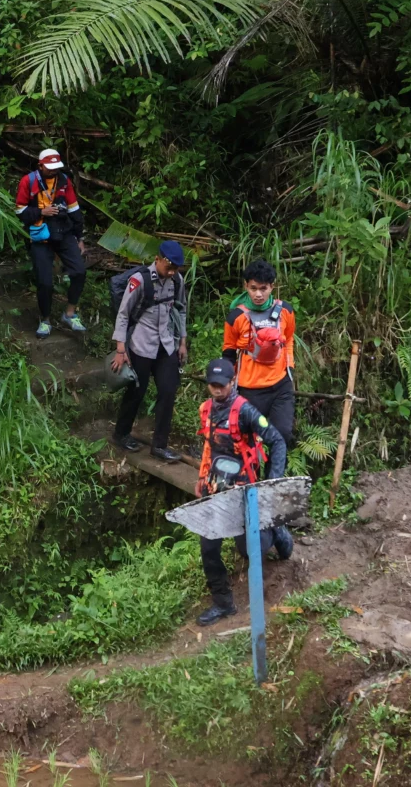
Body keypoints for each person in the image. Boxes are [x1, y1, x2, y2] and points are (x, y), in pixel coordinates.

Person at [193, 358, 291, 626]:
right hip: (216, 487)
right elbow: (208, 447)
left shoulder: (246, 411)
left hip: (245, 488)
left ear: (233, 382)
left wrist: (271, 484)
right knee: (208, 546)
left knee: (249, 548)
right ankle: (223, 603)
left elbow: (277, 441)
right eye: (212, 385)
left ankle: (277, 533)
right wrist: (202, 477)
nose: (216, 390)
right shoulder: (206, 410)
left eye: (221, 385)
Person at [110, 240, 188, 462]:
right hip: (141, 344)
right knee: (136, 392)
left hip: (166, 344)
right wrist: (120, 348)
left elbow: (181, 310)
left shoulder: (177, 281)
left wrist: (182, 341)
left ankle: (160, 446)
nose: (172, 272)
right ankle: (121, 434)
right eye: (169, 267)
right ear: (158, 259)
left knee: (168, 391)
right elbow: (124, 314)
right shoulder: (140, 280)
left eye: (176, 269)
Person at [222, 258, 297, 449]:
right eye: (253, 288)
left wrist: (290, 367)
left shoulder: (285, 311)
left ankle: (275, 477)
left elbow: (288, 340)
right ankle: (248, 477)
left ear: (272, 287)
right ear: (246, 285)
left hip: (280, 385)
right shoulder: (236, 317)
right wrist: (227, 382)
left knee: (282, 436)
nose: (258, 294)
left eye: (263, 289)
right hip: (250, 388)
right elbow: (228, 351)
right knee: (246, 440)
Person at [15, 148, 86, 338]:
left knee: (79, 271)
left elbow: (74, 209)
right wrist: (41, 212)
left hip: (63, 233)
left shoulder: (64, 181)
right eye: (49, 168)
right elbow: (20, 212)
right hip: (40, 236)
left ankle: (70, 313)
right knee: (44, 282)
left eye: (56, 167)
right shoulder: (28, 182)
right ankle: (45, 320)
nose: (53, 171)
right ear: (40, 166)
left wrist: (80, 238)